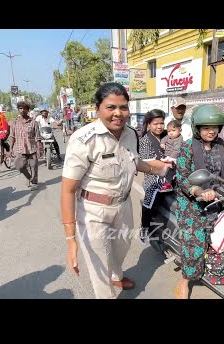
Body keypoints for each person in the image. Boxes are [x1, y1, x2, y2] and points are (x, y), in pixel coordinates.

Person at [60, 82, 170, 299]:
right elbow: (67, 191)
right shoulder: (84, 140)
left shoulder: (131, 134)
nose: (118, 113)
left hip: (123, 205)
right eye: (111, 107)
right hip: (93, 211)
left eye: (123, 107)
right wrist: (71, 240)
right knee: (100, 263)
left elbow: (133, 161)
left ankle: (116, 276)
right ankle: (107, 293)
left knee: (121, 248)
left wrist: (159, 167)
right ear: (98, 108)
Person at [173, 104, 224, 299]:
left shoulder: (222, 146)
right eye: (206, 127)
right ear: (197, 128)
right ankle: (184, 281)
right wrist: (197, 190)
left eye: (214, 127)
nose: (211, 131)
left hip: (221, 195)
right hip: (193, 202)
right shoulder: (188, 147)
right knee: (195, 242)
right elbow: (183, 176)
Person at [138, 109, 167, 243]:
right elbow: (148, 161)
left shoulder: (168, 135)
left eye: (162, 123)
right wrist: (167, 163)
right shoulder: (145, 140)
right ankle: (144, 227)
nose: (159, 126)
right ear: (149, 124)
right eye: (156, 123)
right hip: (153, 175)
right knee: (149, 199)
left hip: (171, 173)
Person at [9, 101, 41, 191]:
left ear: (28, 110)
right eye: (20, 108)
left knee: (34, 167)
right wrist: (10, 149)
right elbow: (12, 136)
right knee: (18, 166)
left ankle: (34, 182)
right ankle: (29, 177)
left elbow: (38, 137)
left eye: (24, 108)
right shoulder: (14, 123)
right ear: (18, 109)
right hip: (20, 149)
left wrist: (39, 149)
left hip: (32, 149)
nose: (22, 110)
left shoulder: (34, 123)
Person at [159, 119, 184, 192]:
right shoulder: (168, 137)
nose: (171, 133)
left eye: (173, 130)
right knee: (164, 170)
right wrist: (162, 143)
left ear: (180, 130)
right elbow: (164, 139)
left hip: (174, 158)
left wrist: (170, 159)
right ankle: (164, 182)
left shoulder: (179, 139)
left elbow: (176, 150)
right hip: (166, 156)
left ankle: (168, 184)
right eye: (169, 131)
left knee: (170, 171)